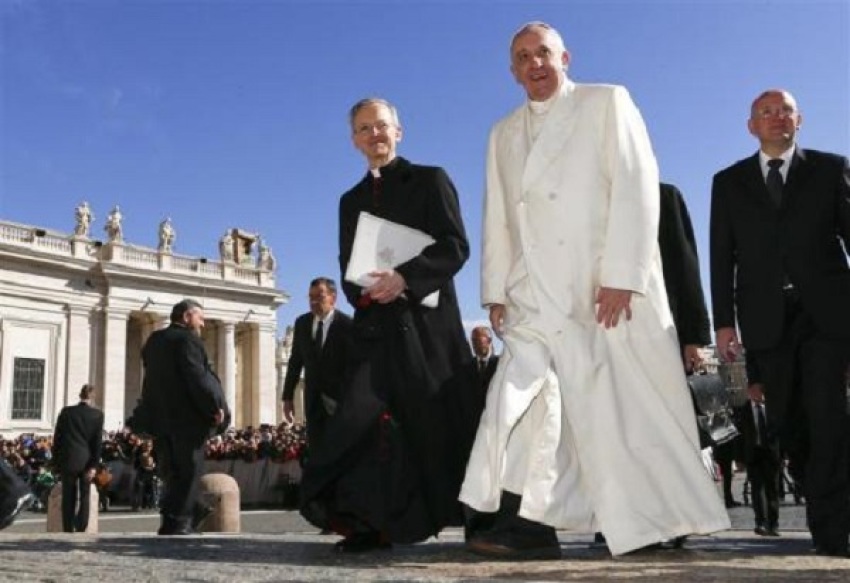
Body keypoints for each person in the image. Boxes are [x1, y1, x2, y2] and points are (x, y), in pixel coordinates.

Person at [460, 21, 729, 559]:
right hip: (535, 293)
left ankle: (654, 521)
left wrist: (623, 275)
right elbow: (498, 215)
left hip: (603, 291)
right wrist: (495, 288)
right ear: (512, 70)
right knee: (516, 399)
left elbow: (636, 181)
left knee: (623, 413)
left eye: (543, 53)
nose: (534, 64)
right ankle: (525, 526)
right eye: (522, 57)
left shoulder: (607, 102)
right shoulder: (502, 132)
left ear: (565, 57)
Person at [298, 97, 472, 553]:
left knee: (436, 420)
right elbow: (347, 266)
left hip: (427, 327)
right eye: (363, 129)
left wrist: (405, 279)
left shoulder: (431, 180)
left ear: (399, 131)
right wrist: (363, 292)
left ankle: (477, 518)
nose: (374, 135)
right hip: (375, 328)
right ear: (354, 140)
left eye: (381, 126)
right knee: (361, 421)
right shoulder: (349, 201)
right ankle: (367, 522)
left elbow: (455, 246)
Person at [710, 89, 850, 557]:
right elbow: (720, 258)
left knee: (829, 415)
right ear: (751, 126)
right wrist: (723, 323)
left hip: (827, 315)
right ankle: (824, 505)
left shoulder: (831, 169)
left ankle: (833, 531)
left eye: (784, 110)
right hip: (766, 322)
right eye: (765, 112)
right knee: (789, 424)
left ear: (800, 120)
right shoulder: (728, 183)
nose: (776, 117)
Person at [136, 299, 228, 535]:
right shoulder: (188, 340)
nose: (204, 324)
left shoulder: (154, 340)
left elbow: (150, 379)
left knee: (170, 469)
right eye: (201, 318)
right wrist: (213, 407)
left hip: (159, 416)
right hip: (186, 417)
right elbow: (197, 377)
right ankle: (181, 520)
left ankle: (174, 517)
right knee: (188, 469)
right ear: (187, 317)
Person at [281, 277, 353, 452]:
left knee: (338, 450)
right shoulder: (302, 323)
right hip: (312, 400)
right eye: (310, 297)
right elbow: (295, 361)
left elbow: (353, 367)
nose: (313, 301)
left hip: (339, 401)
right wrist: (287, 396)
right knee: (316, 450)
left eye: (319, 296)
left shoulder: (348, 325)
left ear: (332, 298)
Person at [735, 353, 782, 537]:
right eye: (755, 391)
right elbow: (739, 436)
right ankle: (760, 523)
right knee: (757, 490)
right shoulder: (743, 411)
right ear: (749, 391)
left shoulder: (772, 409)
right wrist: (739, 458)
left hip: (771, 454)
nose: (758, 394)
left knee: (773, 490)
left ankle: (774, 523)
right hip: (753, 454)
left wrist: (783, 455)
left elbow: (779, 432)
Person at [51, 384, 104, 533]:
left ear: (80, 395)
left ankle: (68, 527)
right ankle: (82, 525)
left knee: (68, 495)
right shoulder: (97, 415)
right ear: (92, 397)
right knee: (85, 494)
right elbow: (97, 442)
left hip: (68, 459)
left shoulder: (67, 412)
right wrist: (94, 465)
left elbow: (58, 439)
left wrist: (56, 461)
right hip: (86, 460)